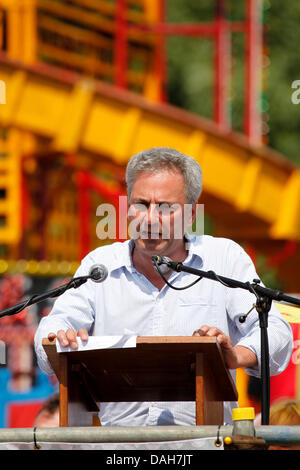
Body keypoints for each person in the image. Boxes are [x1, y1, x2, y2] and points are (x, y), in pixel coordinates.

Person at [34, 147, 293, 426]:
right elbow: (49, 335)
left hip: (203, 445)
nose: (150, 218)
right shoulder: (100, 266)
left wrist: (234, 356)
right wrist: (59, 337)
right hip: (119, 449)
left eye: (166, 207)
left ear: (192, 214)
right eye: (141, 204)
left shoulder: (223, 259)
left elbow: (277, 333)